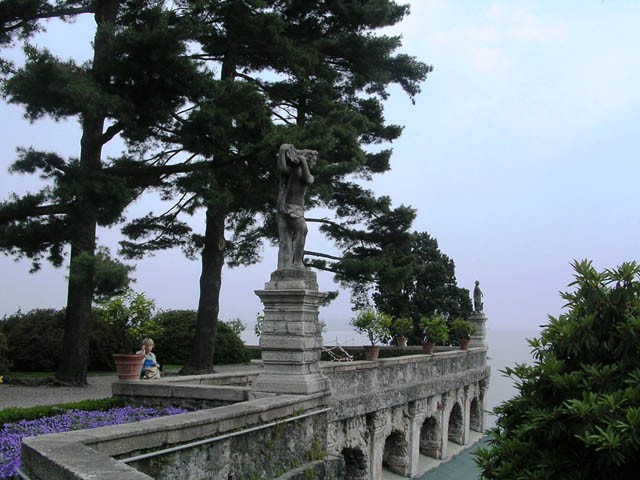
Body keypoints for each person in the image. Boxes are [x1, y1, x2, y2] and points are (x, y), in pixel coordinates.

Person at [276, 143, 318, 270]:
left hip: (293, 209)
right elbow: (282, 168)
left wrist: (302, 162)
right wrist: (282, 152)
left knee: (287, 238)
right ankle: (297, 262)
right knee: (302, 230)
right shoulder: (295, 171)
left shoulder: (302, 173)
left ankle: (286, 265)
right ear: (307, 159)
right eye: (313, 160)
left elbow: (308, 179)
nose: (314, 163)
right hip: (290, 208)